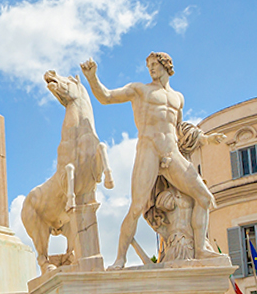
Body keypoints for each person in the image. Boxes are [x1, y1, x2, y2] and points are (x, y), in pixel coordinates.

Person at [82, 53, 226, 268]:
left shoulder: (178, 97)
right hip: (148, 151)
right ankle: (120, 259)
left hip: (171, 153)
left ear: (166, 66)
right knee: (137, 207)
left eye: (154, 64)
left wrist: (205, 139)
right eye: (148, 65)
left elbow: (178, 129)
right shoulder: (140, 90)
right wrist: (92, 78)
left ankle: (201, 250)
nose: (150, 68)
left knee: (204, 198)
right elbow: (106, 97)